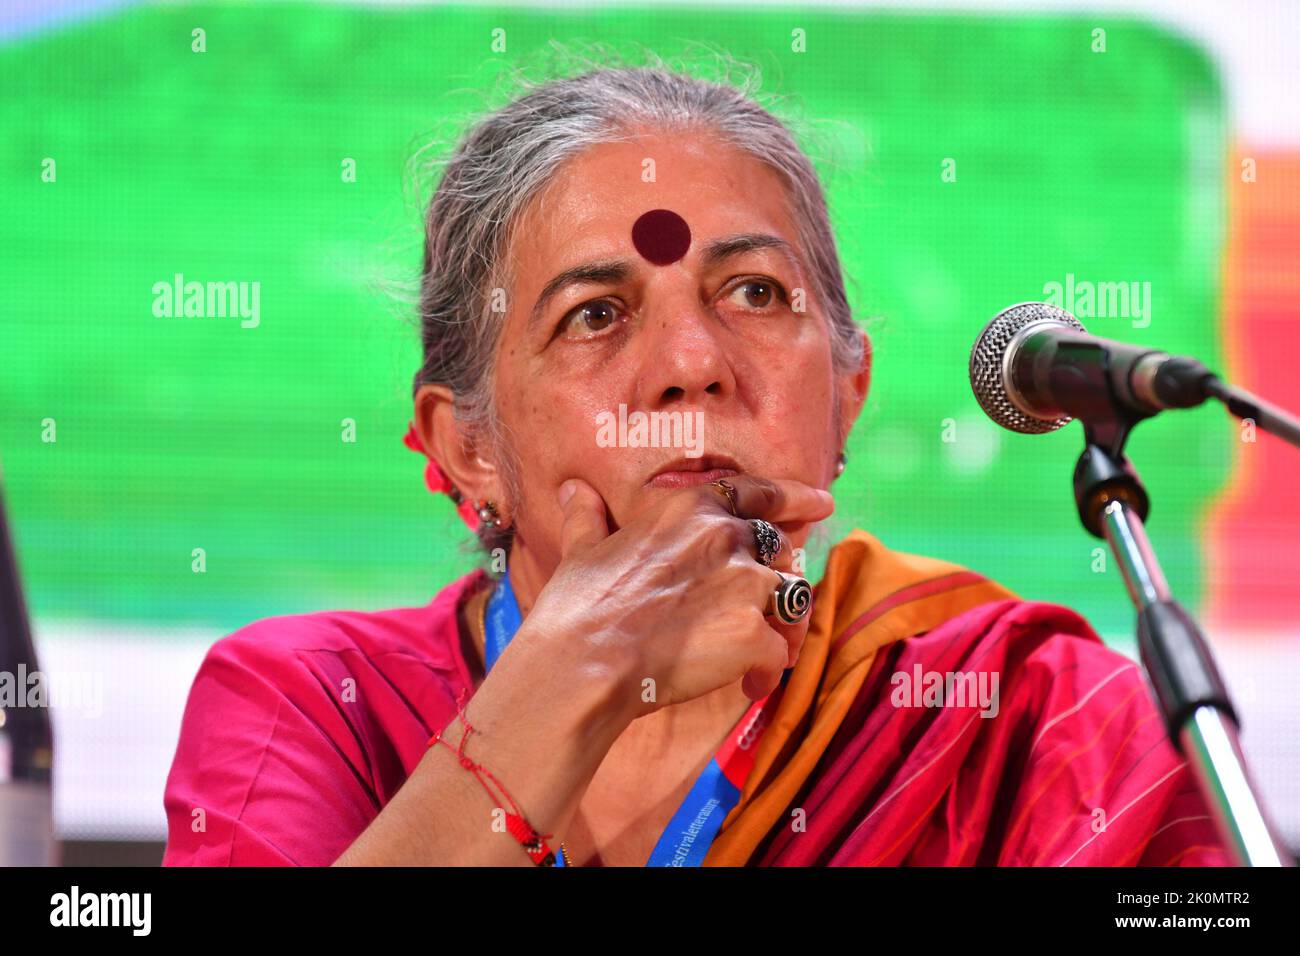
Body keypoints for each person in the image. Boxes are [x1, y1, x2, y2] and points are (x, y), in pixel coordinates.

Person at [161, 62, 1231, 867]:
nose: (691, 366)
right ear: (468, 447)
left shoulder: (1022, 714)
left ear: (847, 389)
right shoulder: (317, 705)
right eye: (595, 314)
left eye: (756, 294)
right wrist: (575, 671)